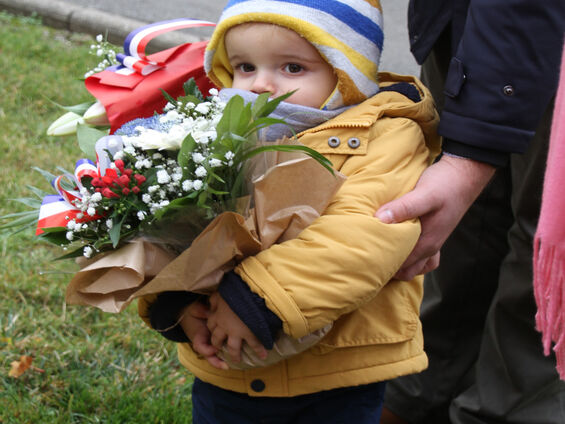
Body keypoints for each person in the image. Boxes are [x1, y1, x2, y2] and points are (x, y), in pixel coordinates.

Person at [137, 0, 441, 422]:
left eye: (292, 68)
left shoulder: (388, 137)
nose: (261, 84)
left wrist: (255, 300)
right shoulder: (216, 133)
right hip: (228, 366)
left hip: (337, 373)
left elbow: (362, 236)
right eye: (244, 67)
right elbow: (177, 229)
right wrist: (177, 300)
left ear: (345, 74)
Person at [378, 1, 565, 423]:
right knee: (460, 230)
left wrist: (470, 157)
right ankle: (414, 392)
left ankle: (503, 409)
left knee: (542, 255)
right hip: (462, 16)